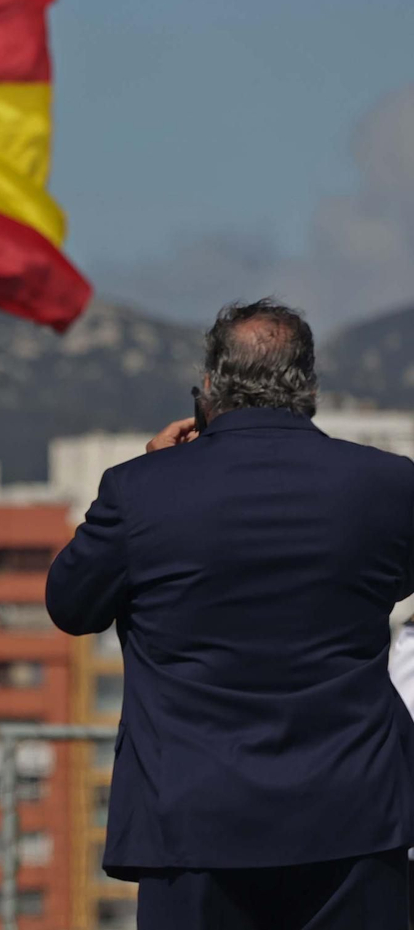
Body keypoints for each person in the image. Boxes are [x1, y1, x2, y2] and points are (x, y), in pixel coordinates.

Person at [47, 299, 414, 930]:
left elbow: (71, 606)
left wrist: (155, 473)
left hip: (191, 824)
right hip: (354, 815)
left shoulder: (141, 490)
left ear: (210, 387)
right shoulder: (387, 486)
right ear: (310, 388)